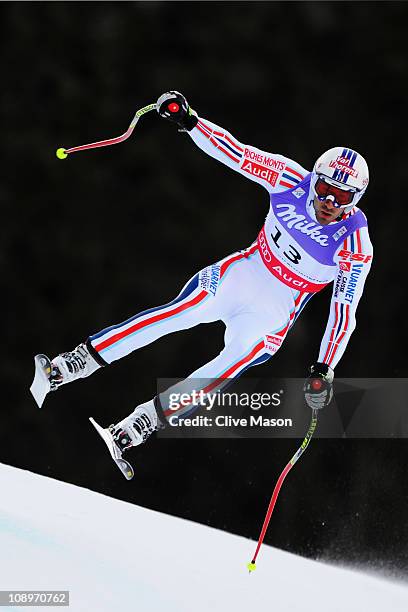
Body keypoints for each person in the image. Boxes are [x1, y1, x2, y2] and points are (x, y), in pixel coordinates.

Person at [36, 91, 373, 457]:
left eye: (343, 196)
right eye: (325, 189)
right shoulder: (291, 179)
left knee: (227, 365)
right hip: (244, 272)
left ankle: (142, 423)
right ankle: (73, 364)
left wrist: (324, 368)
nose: (330, 202)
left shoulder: (355, 244)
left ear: (356, 199)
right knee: (181, 312)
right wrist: (189, 121)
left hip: (273, 313)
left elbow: (344, 312)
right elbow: (237, 154)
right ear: (315, 179)